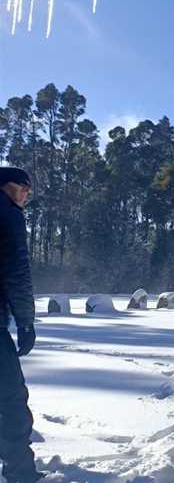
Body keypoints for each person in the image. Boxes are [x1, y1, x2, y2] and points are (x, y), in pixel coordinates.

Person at [0, 167, 43, 483]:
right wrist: (26, 322)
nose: (27, 193)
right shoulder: (7, 213)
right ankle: (21, 474)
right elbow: (16, 271)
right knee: (11, 399)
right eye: (23, 187)